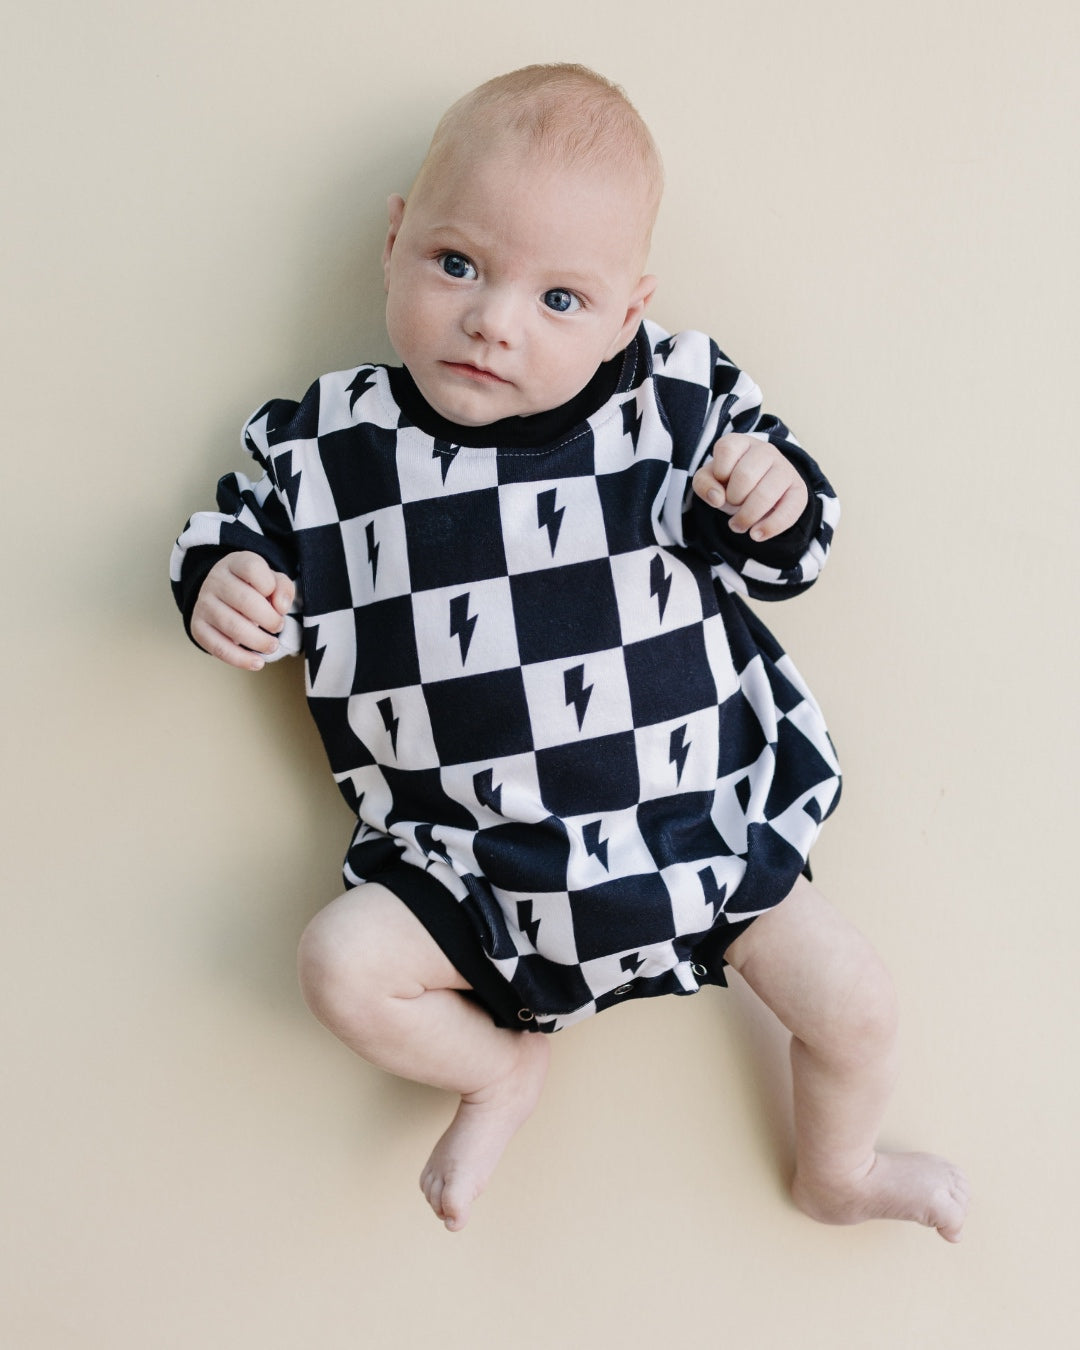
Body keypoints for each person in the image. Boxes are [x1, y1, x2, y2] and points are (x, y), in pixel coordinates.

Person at [171, 63, 968, 1239]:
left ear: (627, 315)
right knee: (340, 967)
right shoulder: (331, 449)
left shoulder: (666, 411)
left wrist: (774, 493)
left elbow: (790, 555)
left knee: (857, 1007)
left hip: (691, 831)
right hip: (467, 868)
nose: (495, 320)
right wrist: (222, 583)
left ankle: (837, 1171)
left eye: (560, 299)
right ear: (395, 241)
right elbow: (231, 531)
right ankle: (496, 1068)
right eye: (458, 264)